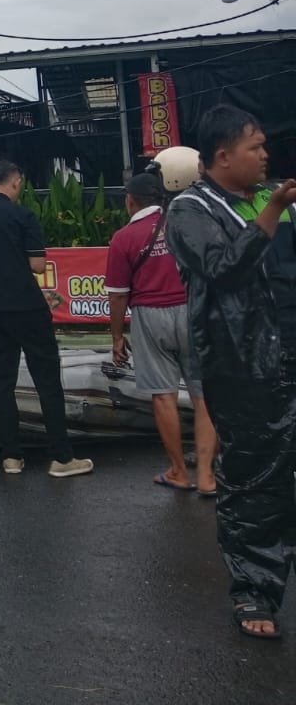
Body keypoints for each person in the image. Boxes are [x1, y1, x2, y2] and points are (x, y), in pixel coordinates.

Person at [166, 105, 296, 639]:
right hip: (243, 364)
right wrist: (273, 211)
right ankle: (254, 590)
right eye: (255, 147)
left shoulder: (268, 199)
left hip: (289, 347)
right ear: (223, 156)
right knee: (254, 479)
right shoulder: (190, 210)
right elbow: (224, 268)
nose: (265, 155)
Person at [0, 159, 93, 478]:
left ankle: (11, 456)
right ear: (15, 182)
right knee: (47, 381)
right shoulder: (22, 215)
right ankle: (61, 457)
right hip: (27, 308)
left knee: (3, 380)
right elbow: (38, 265)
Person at [106, 172, 218, 495]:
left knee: (164, 395)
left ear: (131, 200)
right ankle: (207, 476)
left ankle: (179, 472)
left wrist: (117, 337)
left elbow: (117, 296)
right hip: (192, 310)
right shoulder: (184, 224)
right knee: (203, 394)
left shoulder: (123, 238)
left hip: (150, 316)